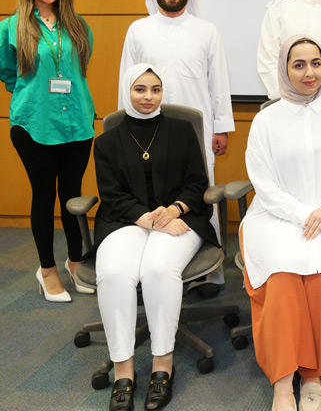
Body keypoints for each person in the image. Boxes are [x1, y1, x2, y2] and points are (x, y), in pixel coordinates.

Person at [240, 35, 321, 411]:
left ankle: (314, 374)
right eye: (299, 65)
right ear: (284, 69)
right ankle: (283, 384)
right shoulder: (265, 120)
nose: (309, 72)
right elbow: (264, 185)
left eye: (316, 63)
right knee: (282, 274)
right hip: (276, 217)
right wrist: (305, 215)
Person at [93, 64, 218, 411]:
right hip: (125, 221)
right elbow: (111, 194)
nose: (148, 97)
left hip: (179, 218)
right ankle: (123, 372)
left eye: (155, 89)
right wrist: (150, 219)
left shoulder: (181, 131)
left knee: (158, 269)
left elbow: (197, 183)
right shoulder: (106, 142)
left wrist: (174, 210)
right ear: (127, 91)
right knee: (114, 273)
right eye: (140, 89)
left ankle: (163, 366)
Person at [118, 0, 234, 285]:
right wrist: (125, 129)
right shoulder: (138, 30)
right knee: (149, 193)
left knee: (201, 196)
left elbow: (218, 82)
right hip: (147, 131)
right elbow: (127, 81)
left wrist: (221, 128)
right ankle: (153, 273)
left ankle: (209, 274)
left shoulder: (207, 30)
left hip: (198, 132)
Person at [0, 0, 95, 303]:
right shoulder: (10, 28)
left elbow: (79, 69)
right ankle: (47, 270)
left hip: (77, 123)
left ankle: (75, 261)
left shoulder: (78, 25)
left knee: (72, 196)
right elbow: (8, 73)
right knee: (43, 196)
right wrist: (34, 96)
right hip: (34, 124)